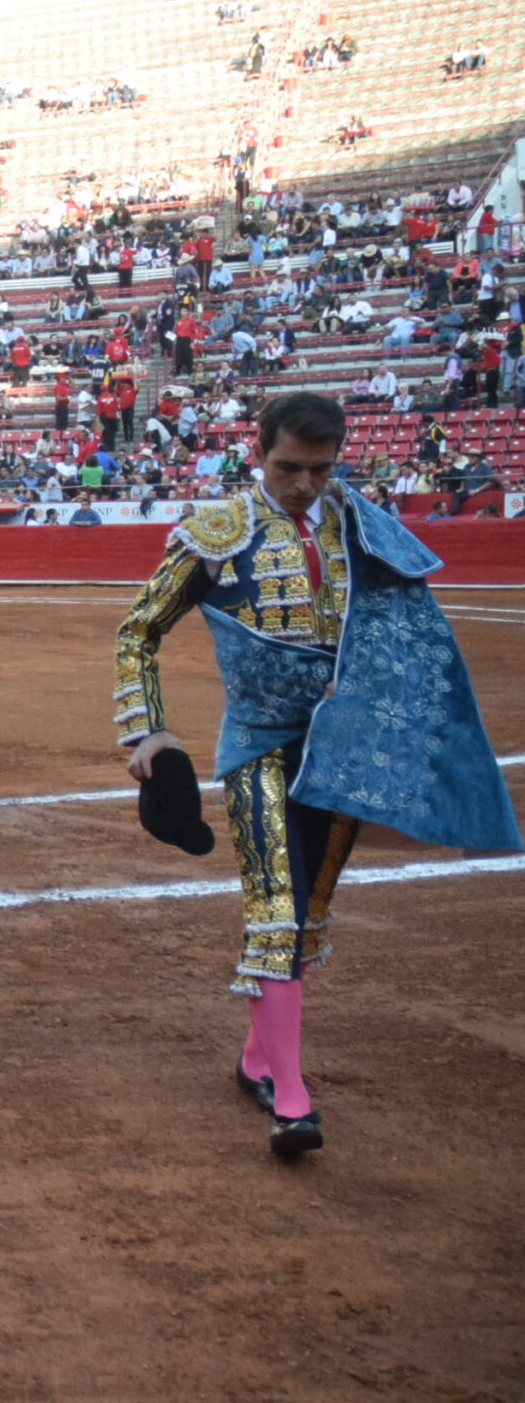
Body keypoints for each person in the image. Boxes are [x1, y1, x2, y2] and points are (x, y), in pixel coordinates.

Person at [115, 392, 520, 1158]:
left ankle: (258, 1059)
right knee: (275, 909)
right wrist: (148, 728)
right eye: (288, 466)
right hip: (258, 743)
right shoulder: (216, 533)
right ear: (257, 451)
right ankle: (292, 1102)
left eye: (320, 468)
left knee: (307, 912)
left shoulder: (359, 524)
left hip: (340, 746)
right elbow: (138, 631)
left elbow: (402, 631)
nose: (304, 483)